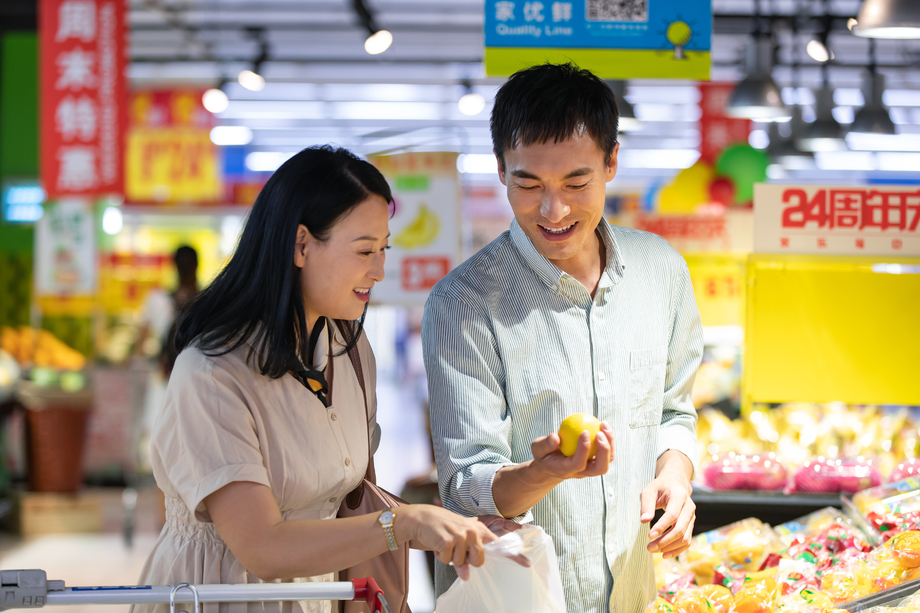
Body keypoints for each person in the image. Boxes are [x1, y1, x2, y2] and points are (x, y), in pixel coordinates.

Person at [133, 146, 511, 613]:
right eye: (364, 251)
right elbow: (263, 548)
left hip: (317, 597)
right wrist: (404, 525)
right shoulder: (213, 373)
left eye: (383, 249)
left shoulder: (348, 348)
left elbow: (355, 495)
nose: (379, 270)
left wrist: (454, 526)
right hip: (220, 596)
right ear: (301, 244)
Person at [422, 63, 704, 612]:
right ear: (501, 169)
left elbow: (675, 411)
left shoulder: (661, 271)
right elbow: (464, 485)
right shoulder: (463, 303)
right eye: (528, 184)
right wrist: (540, 473)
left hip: (636, 592)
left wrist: (675, 476)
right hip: (523, 600)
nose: (554, 211)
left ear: (611, 162)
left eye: (577, 183)